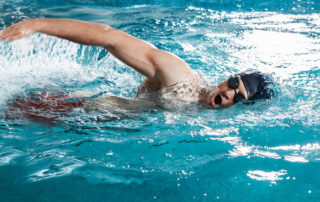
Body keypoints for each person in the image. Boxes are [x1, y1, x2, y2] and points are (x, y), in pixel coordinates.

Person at [0, 18, 274, 110]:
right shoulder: (178, 77)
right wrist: (37, 25)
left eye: (238, 98)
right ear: (226, 78)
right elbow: (110, 38)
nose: (229, 93)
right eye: (233, 84)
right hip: (81, 111)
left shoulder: (216, 122)